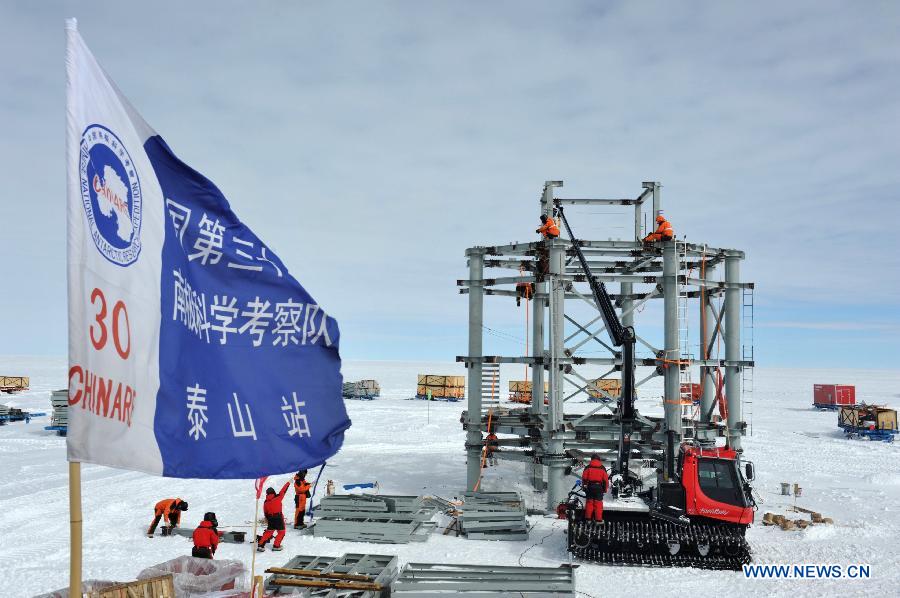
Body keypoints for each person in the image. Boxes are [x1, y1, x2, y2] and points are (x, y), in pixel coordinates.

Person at [258, 481, 290, 551]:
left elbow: (265, 511)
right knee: (281, 532)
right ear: (273, 492)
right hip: (278, 517)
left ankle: (260, 545)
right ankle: (276, 545)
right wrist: (288, 483)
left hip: (270, 518)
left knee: (269, 532)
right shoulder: (278, 497)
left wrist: (267, 519)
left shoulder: (266, 502)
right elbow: (283, 490)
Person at [581, 454, 609, 522]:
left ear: (592, 459)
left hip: (590, 487)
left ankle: (588, 518)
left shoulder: (588, 467)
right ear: (599, 460)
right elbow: (605, 480)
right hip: (599, 488)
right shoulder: (602, 468)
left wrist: (584, 487)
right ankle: (598, 519)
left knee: (589, 503)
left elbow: (584, 479)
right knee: (598, 503)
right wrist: (605, 489)